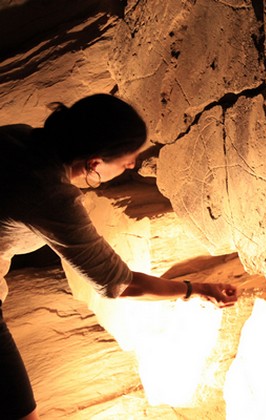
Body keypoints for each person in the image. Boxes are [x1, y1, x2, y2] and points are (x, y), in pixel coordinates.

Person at [0, 94, 238, 419]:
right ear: (94, 163)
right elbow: (120, 284)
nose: (132, 165)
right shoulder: (48, 195)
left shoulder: (17, 137)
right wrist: (194, 289)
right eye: (128, 160)